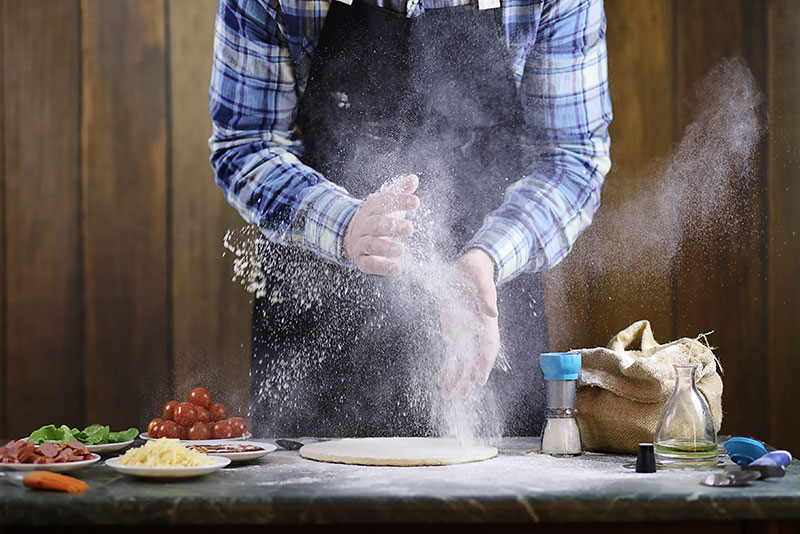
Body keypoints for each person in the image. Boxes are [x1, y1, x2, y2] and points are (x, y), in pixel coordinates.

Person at [209, 0, 612, 438]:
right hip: (318, 302)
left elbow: (572, 160)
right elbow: (247, 143)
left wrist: (487, 256)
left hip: (480, 300)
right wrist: (343, 224)